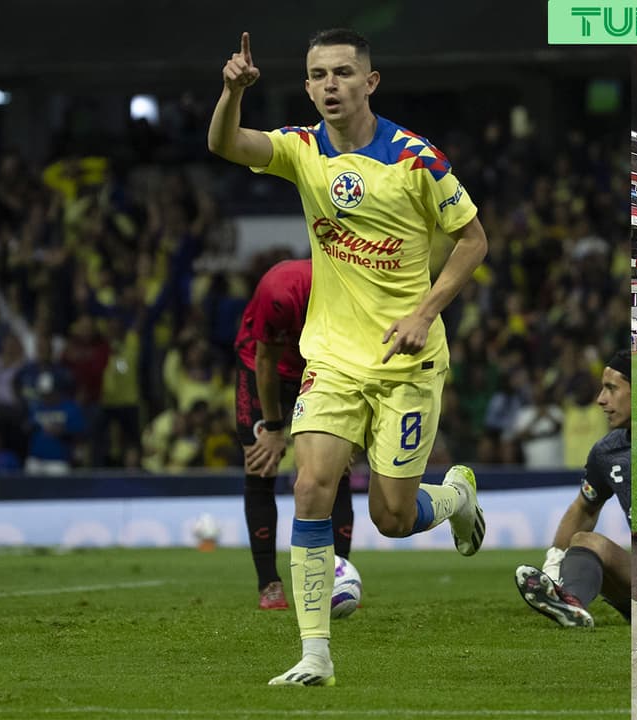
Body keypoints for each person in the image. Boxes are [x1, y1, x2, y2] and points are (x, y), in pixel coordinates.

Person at [209, 29, 488, 687]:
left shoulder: (417, 161)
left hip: (407, 362)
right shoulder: (302, 150)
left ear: (371, 81)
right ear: (306, 86)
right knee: (309, 487)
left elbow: (473, 241)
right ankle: (315, 657)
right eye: (317, 75)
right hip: (332, 358)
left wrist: (424, 311)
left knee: (391, 517)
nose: (329, 84)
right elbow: (224, 144)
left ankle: (456, 496)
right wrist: (231, 93)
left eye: (342, 72)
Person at [234, 258, 355, 611]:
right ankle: (269, 584)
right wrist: (273, 429)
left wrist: (352, 432)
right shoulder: (280, 291)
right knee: (261, 464)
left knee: (335, 467)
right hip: (265, 365)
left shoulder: (356, 289)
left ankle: (338, 577)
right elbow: (266, 361)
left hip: (323, 370)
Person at [515, 352, 632, 628]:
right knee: (585, 541)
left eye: (611, 389)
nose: (601, 399)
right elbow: (584, 507)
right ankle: (571, 604)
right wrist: (554, 564)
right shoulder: (607, 452)